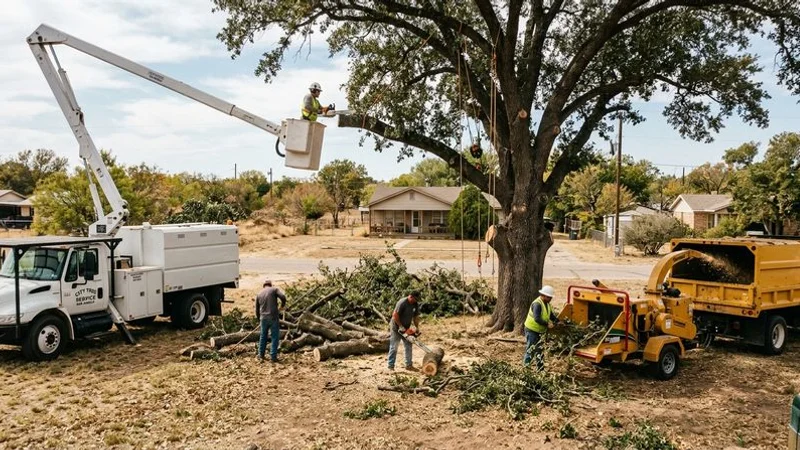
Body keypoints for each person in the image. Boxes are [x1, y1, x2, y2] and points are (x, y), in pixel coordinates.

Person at [523, 285, 559, 370]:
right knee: (530, 349)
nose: (550, 299)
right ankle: (526, 367)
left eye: (551, 297)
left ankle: (540, 368)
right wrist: (547, 324)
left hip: (539, 331)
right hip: (532, 330)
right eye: (549, 297)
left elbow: (550, 315)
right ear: (543, 295)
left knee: (539, 350)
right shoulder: (537, 304)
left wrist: (557, 321)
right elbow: (537, 318)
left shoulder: (547, 304)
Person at [387, 290, 421, 371]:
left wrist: (417, 327)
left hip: (406, 327)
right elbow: (395, 315)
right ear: (411, 296)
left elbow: (415, 317)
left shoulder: (415, 304)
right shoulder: (402, 302)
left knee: (409, 344)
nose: (416, 301)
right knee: (394, 346)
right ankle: (390, 366)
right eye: (415, 299)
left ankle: (408, 365)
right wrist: (400, 326)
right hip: (396, 327)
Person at [255, 279, 286, 362]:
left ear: (264, 285)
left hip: (263, 318)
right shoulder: (274, 289)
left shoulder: (259, 294)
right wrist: (282, 306)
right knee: (274, 337)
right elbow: (283, 297)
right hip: (273, 317)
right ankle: (273, 357)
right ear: (270, 285)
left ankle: (261, 355)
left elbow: (257, 310)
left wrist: (259, 319)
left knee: (263, 336)